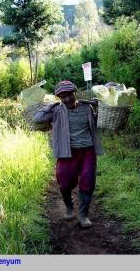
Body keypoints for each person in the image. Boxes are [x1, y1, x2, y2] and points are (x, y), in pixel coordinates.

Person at [34, 80, 104, 228]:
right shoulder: (57, 110)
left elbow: (101, 120)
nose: (67, 99)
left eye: (69, 95)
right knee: (64, 181)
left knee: (88, 180)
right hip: (67, 151)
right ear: (59, 98)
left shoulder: (87, 108)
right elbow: (37, 119)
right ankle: (69, 206)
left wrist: (99, 104)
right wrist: (51, 105)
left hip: (87, 150)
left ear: (75, 93)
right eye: (62, 96)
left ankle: (83, 215)